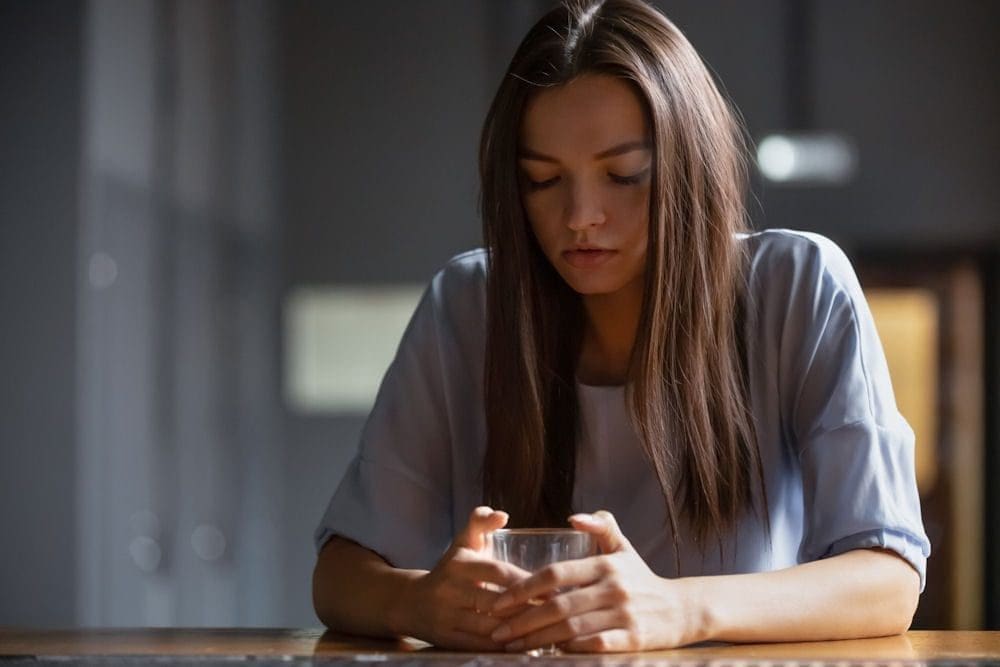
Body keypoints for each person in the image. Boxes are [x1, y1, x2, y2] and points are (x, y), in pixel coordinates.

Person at [311, 0, 930, 653]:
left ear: (688, 167)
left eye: (623, 175)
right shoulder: (468, 305)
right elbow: (340, 574)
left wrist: (680, 607)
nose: (580, 216)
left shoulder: (797, 286)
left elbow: (888, 577)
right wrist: (417, 600)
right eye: (543, 180)